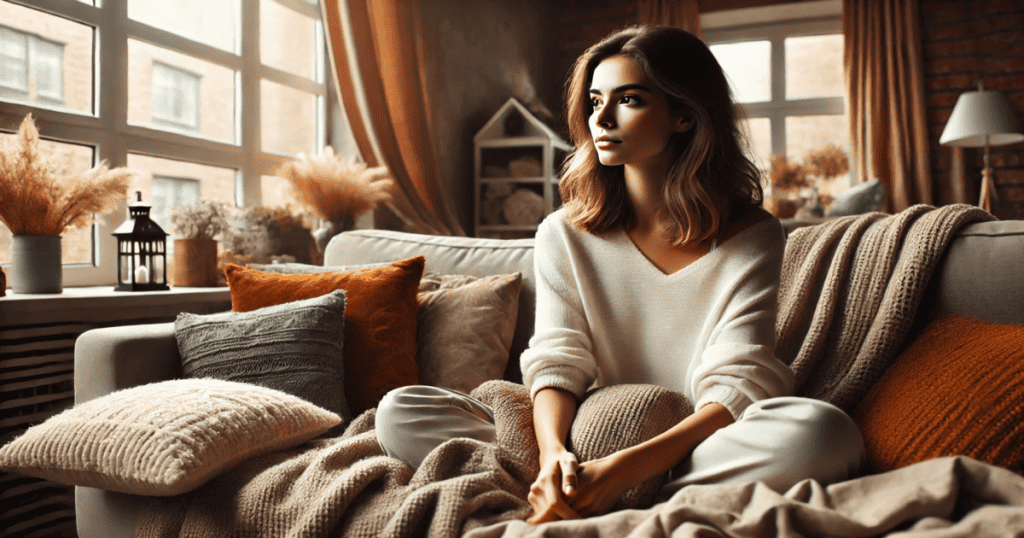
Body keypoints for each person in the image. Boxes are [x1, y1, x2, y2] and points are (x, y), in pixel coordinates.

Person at [374, 25, 865, 524]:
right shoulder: (562, 233)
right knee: (399, 411)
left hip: (693, 445)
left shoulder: (752, 234)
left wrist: (623, 469)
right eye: (593, 101)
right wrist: (552, 456)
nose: (600, 119)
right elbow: (558, 361)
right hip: (579, 435)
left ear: (683, 115)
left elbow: (738, 378)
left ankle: (599, 492)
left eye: (628, 99)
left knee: (824, 433)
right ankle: (569, 485)